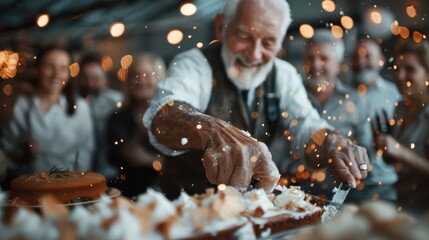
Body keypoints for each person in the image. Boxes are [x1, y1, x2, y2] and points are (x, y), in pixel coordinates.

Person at [143, 0, 369, 199]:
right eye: (243, 37)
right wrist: (211, 131)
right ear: (221, 26)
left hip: (251, 212)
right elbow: (164, 114)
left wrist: (332, 143)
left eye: (269, 42)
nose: (254, 54)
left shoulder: (283, 73)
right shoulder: (194, 64)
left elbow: (307, 128)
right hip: (187, 207)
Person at [301, 29, 397, 201]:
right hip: (300, 190)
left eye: (323, 59)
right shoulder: (294, 98)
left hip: (345, 193)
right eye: (310, 58)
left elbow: (367, 151)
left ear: (339, 64)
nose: (315, 65)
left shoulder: (356, 100)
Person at [0, 45, 94, 189]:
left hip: (67, 187)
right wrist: (23, 154)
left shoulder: (81, 108)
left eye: (63, 68)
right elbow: (7, 152)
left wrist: (79, 187)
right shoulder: (21, 105)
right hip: (29, 189)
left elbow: (85, 151)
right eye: (50, 66)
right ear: (37, 70)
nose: (56, 74)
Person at [374, 40, 429, 213]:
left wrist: (398, 150)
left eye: (410, 69)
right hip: (402, 199)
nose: (400, 76)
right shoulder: (400, 107)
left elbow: (403, 153)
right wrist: (384, 147)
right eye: (397, 69)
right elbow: (396, 161)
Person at [107, 53, 165, 198]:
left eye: (148, 75)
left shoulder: (170, 117)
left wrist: (150, 160)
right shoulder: (118, 118)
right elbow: (116, 156)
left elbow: (182, 162)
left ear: (159, 79)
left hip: (167, 191)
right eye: (136, 75)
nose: (141, 80)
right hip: (127, 194)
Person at [77, 53, 122, 181]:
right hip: (78, 173)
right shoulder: (71, 104)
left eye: (95, 78)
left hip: (111, 173)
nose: (90, 83)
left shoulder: (117, 101)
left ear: (105, 80)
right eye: (85, 77)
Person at [350, 38, 401, 118]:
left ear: (381, 60)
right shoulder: (340, 94)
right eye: (356, 57)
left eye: (368, 56)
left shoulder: (395, 95)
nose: (360, 62)